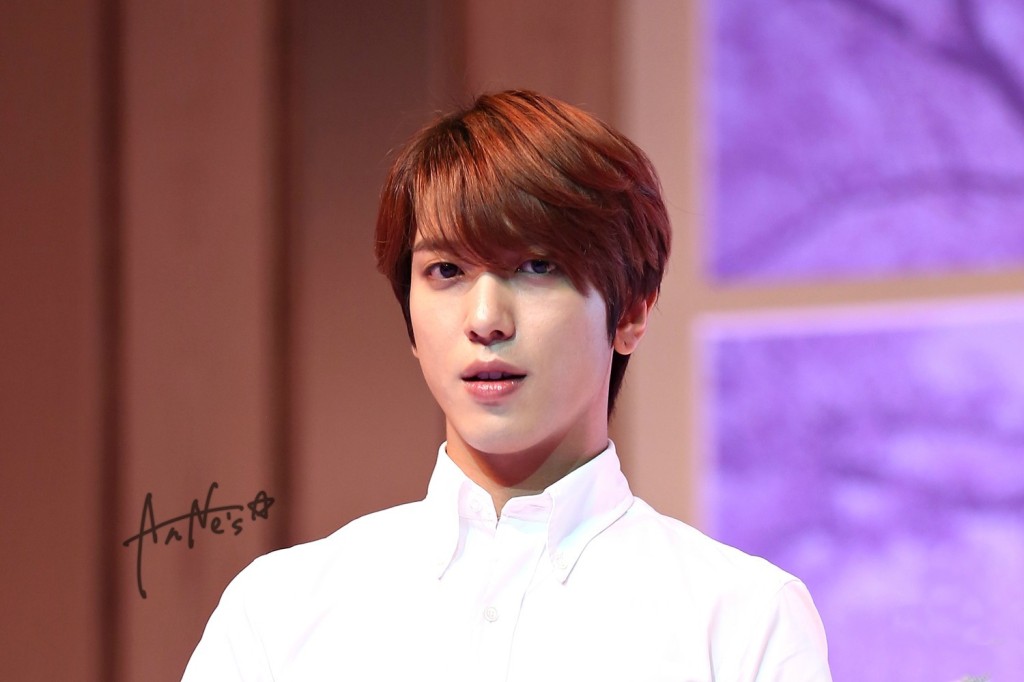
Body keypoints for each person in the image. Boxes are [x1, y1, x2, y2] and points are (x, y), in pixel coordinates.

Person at [183, 90, 832, 681]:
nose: (486, 319)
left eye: (536, 267)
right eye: (446, 271)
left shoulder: (744, 621)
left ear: (632, 310)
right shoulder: (278, 613)